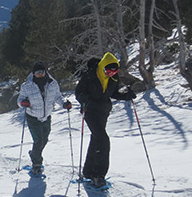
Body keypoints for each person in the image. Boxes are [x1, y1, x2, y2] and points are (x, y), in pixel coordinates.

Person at [75, 52, 136, 188]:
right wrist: (82, 98)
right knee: (103, 140)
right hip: (90, 111)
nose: (111, 74)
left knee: (96, 139)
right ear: (103, 67)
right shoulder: (90, 75)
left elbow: (112, 93)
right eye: (108, 71)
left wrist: (126, 96)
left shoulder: (113, 78)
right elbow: (78, 92)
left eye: (114, 72)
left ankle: (88, 171)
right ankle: (98, 175)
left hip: (103, 112)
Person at [17, 61, 72, 176]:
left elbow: (57, 96)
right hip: (33, 116)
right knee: (38, 141)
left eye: (42, 71)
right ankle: (36, 164)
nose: (40, 74)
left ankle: (34, 154)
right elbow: (19, 100)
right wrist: (23, 102)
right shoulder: (27, 86)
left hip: (46, 116)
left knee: (45, 139)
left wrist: (64, 104)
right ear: (33, 73)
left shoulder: (52, 83)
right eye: (38, 72)